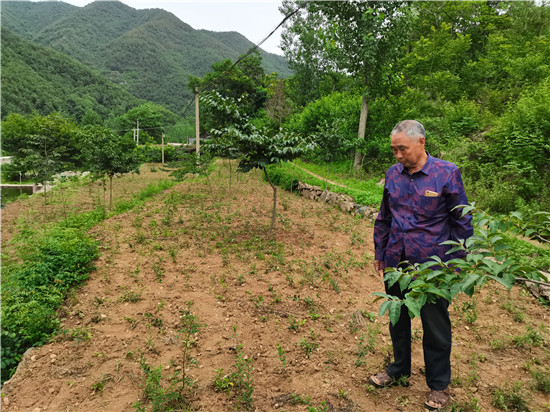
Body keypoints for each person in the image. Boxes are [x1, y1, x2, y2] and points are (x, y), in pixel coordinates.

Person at [370, 120, 473, 410]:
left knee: (435, 325)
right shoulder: (392, 174)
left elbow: (462, 220)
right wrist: (380, 251)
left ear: (421, 143)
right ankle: (399, 368)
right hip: (396, 261)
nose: (398, 155)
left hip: (432, 267)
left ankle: (438, 385)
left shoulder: (446, 173)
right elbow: (384, 217)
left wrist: (458, 263)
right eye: (394, 150)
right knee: (397, 319)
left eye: (402, 149)